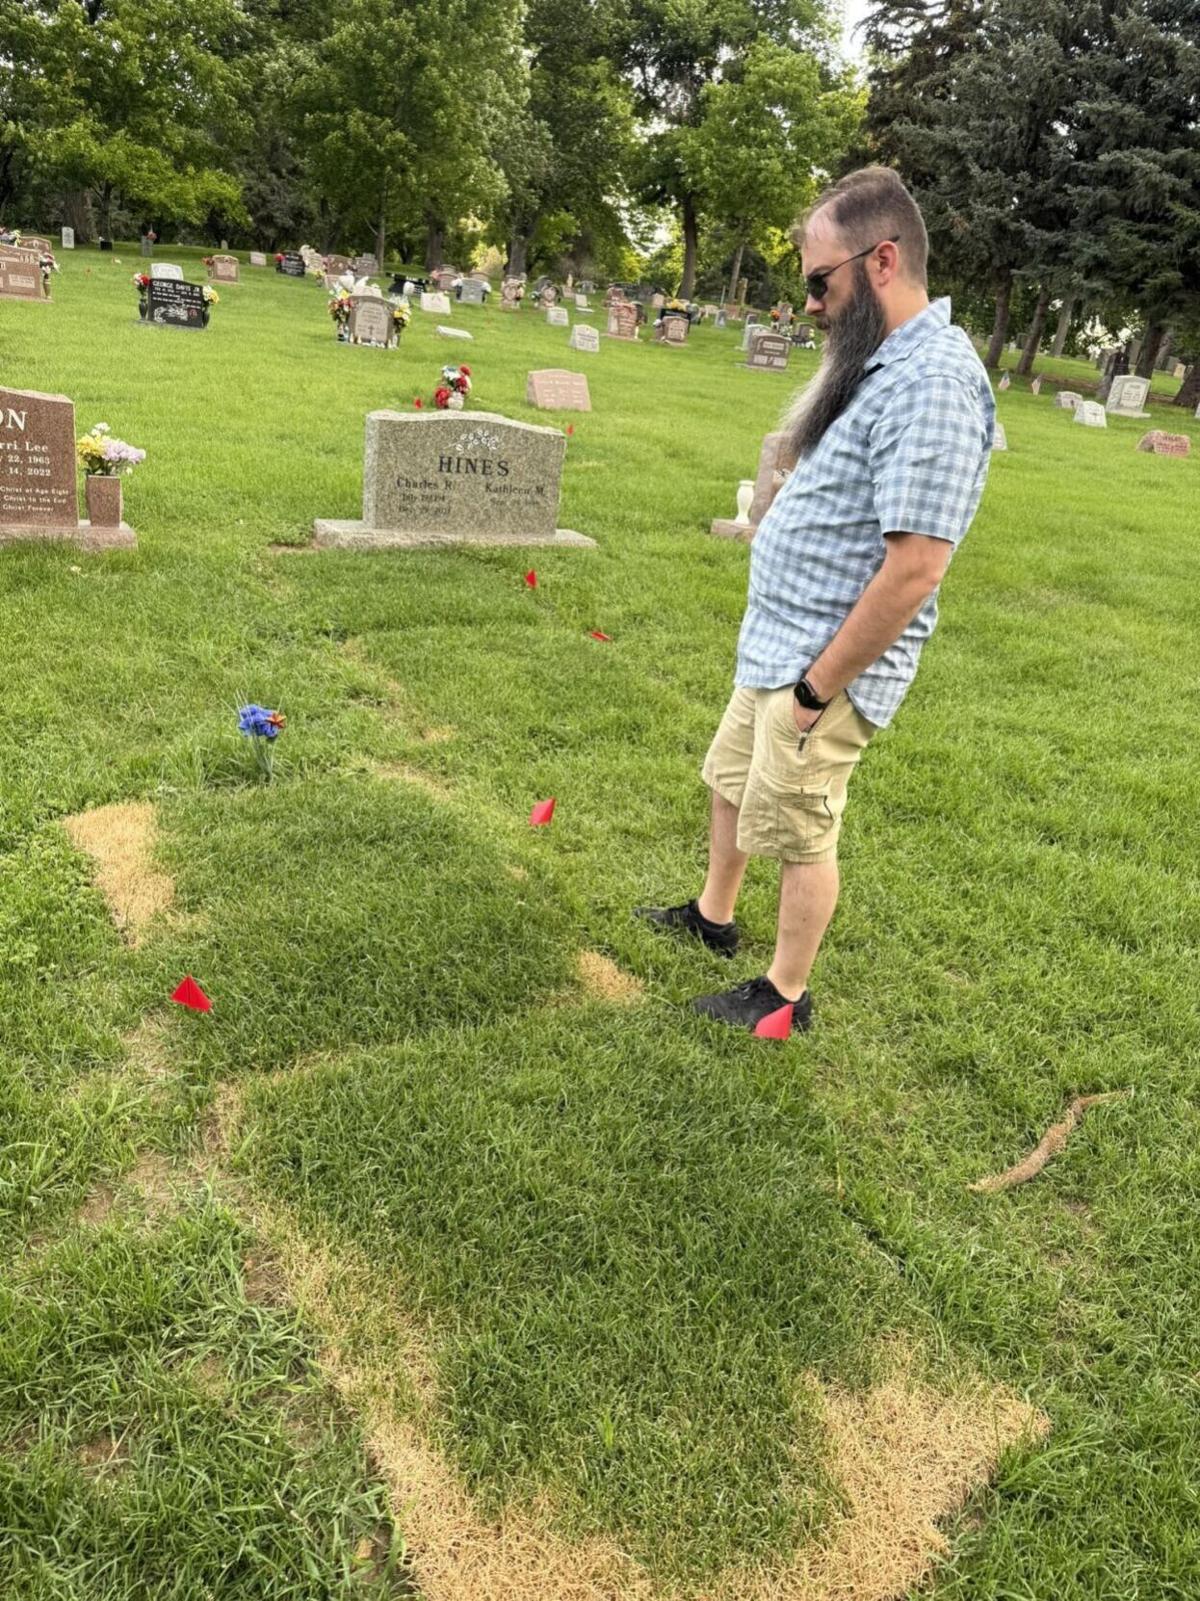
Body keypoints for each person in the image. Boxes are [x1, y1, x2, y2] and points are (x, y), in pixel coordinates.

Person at [636, 166, 995, 1034]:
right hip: (780, 640)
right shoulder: (882, 365)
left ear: (880, 261)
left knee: (801, 824)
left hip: (823, 665)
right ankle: (714, 919)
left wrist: (814, 690)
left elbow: (914, 569)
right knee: (731, 780)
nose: (807, 303)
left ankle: (784, 994)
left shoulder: (934, 382)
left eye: (817, 281)